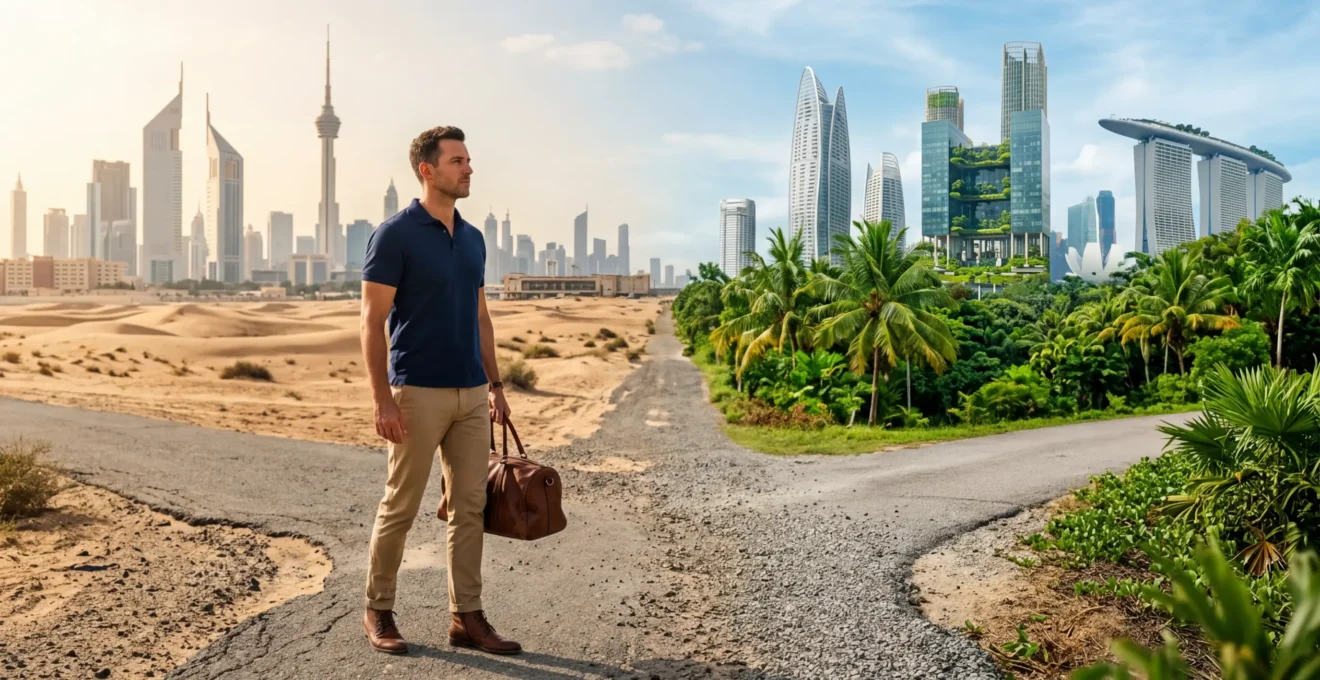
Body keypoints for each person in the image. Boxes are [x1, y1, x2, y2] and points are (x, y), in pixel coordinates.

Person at [358, 126, 520, 656]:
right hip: (416, 393)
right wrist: (383, 399)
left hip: (472, 393)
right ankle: (378, 610)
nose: (468, 168)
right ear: (427, 170)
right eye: (457, 161)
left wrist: (495, 385)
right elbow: (371, 320)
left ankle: (466, 617)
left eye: (469, 159)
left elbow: (482, 318)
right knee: (401, 506)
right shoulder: (394, 234)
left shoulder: (473, 238)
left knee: (470, 508)